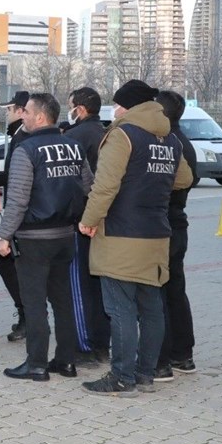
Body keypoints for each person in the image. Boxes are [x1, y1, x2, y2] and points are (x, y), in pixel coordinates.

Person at [78, 80, 193, 397]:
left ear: (127, 106)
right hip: (156, 232)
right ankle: (145, 375)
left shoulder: (123, 134)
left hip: (120, 234)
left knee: (120, 309)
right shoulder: (168, 137)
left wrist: (89, 221)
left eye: (117, 105)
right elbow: (184, 178)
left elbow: (104, 187)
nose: (114, 110)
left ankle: (121, 376)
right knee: (151, 306)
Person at [0, 93, 93, 381]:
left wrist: (3, 236)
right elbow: (90, 187)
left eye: (25, 111)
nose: (21, 115)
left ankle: (36, 363)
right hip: (65, 236)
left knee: (34, 302)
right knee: (62, 300)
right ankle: (66, 361)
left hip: (34, 239)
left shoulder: (27, 150)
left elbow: (17, 201)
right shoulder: (74, 147)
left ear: (39, 117)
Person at [153, 91, 198, 382]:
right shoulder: (185, 142)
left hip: (164, 221)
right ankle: (183, 354)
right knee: (174, 290)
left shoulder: (168, 142)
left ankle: (162, 359)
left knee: (158, 292)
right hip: (177, 222)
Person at [63, 87, 108, 364]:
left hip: (81, 218)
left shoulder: (74, 137)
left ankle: (85, 346)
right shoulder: (107, 133)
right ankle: (102, 343)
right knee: (100, 284)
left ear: (79, 109)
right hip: (104, 218)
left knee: (79, 285)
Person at [0, 91, 30, 342]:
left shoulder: (23, 137)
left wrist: (8, 229)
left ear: (20, 111)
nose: (6, 114)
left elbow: (18, 182)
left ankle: (27, 317)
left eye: (9, 109)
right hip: (23, 216)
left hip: (23, 218)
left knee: (8, 263)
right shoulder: (17, 136)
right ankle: (27, 315)